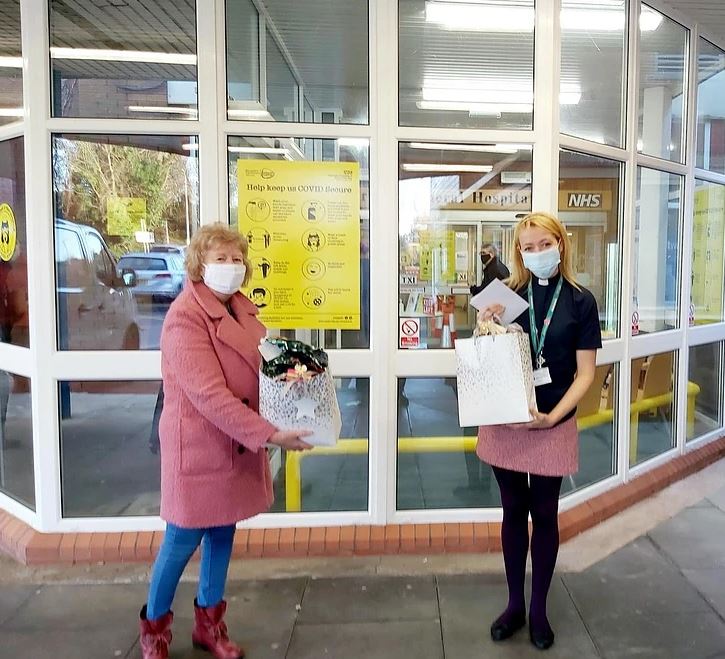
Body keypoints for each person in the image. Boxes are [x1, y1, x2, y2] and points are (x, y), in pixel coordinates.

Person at [138, 224, 312, 659]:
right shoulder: (185, 318)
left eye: (237, 259)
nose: (230, 267)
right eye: (220, 259)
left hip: (234, 445)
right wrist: (270, 433)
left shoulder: (244, 312)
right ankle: (154, 630)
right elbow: (210, 396)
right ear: (199, 265)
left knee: (222, 535)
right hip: (200, 449)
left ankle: (209, 627)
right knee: (181, 541)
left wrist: (292, 379)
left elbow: (261, 374)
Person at [476, 212, 600, 651]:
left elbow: (586, 374)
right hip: (507, 421)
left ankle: (539, 609)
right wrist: (485, 324)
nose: (536, 254)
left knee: (544, 513)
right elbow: (487, 352)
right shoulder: (508, 294)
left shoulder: (581, 301)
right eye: (527, 248)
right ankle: (513, 605)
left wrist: (554, 417)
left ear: (560, 244)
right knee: (512, 510)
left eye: (543, 244)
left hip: (553, 421)